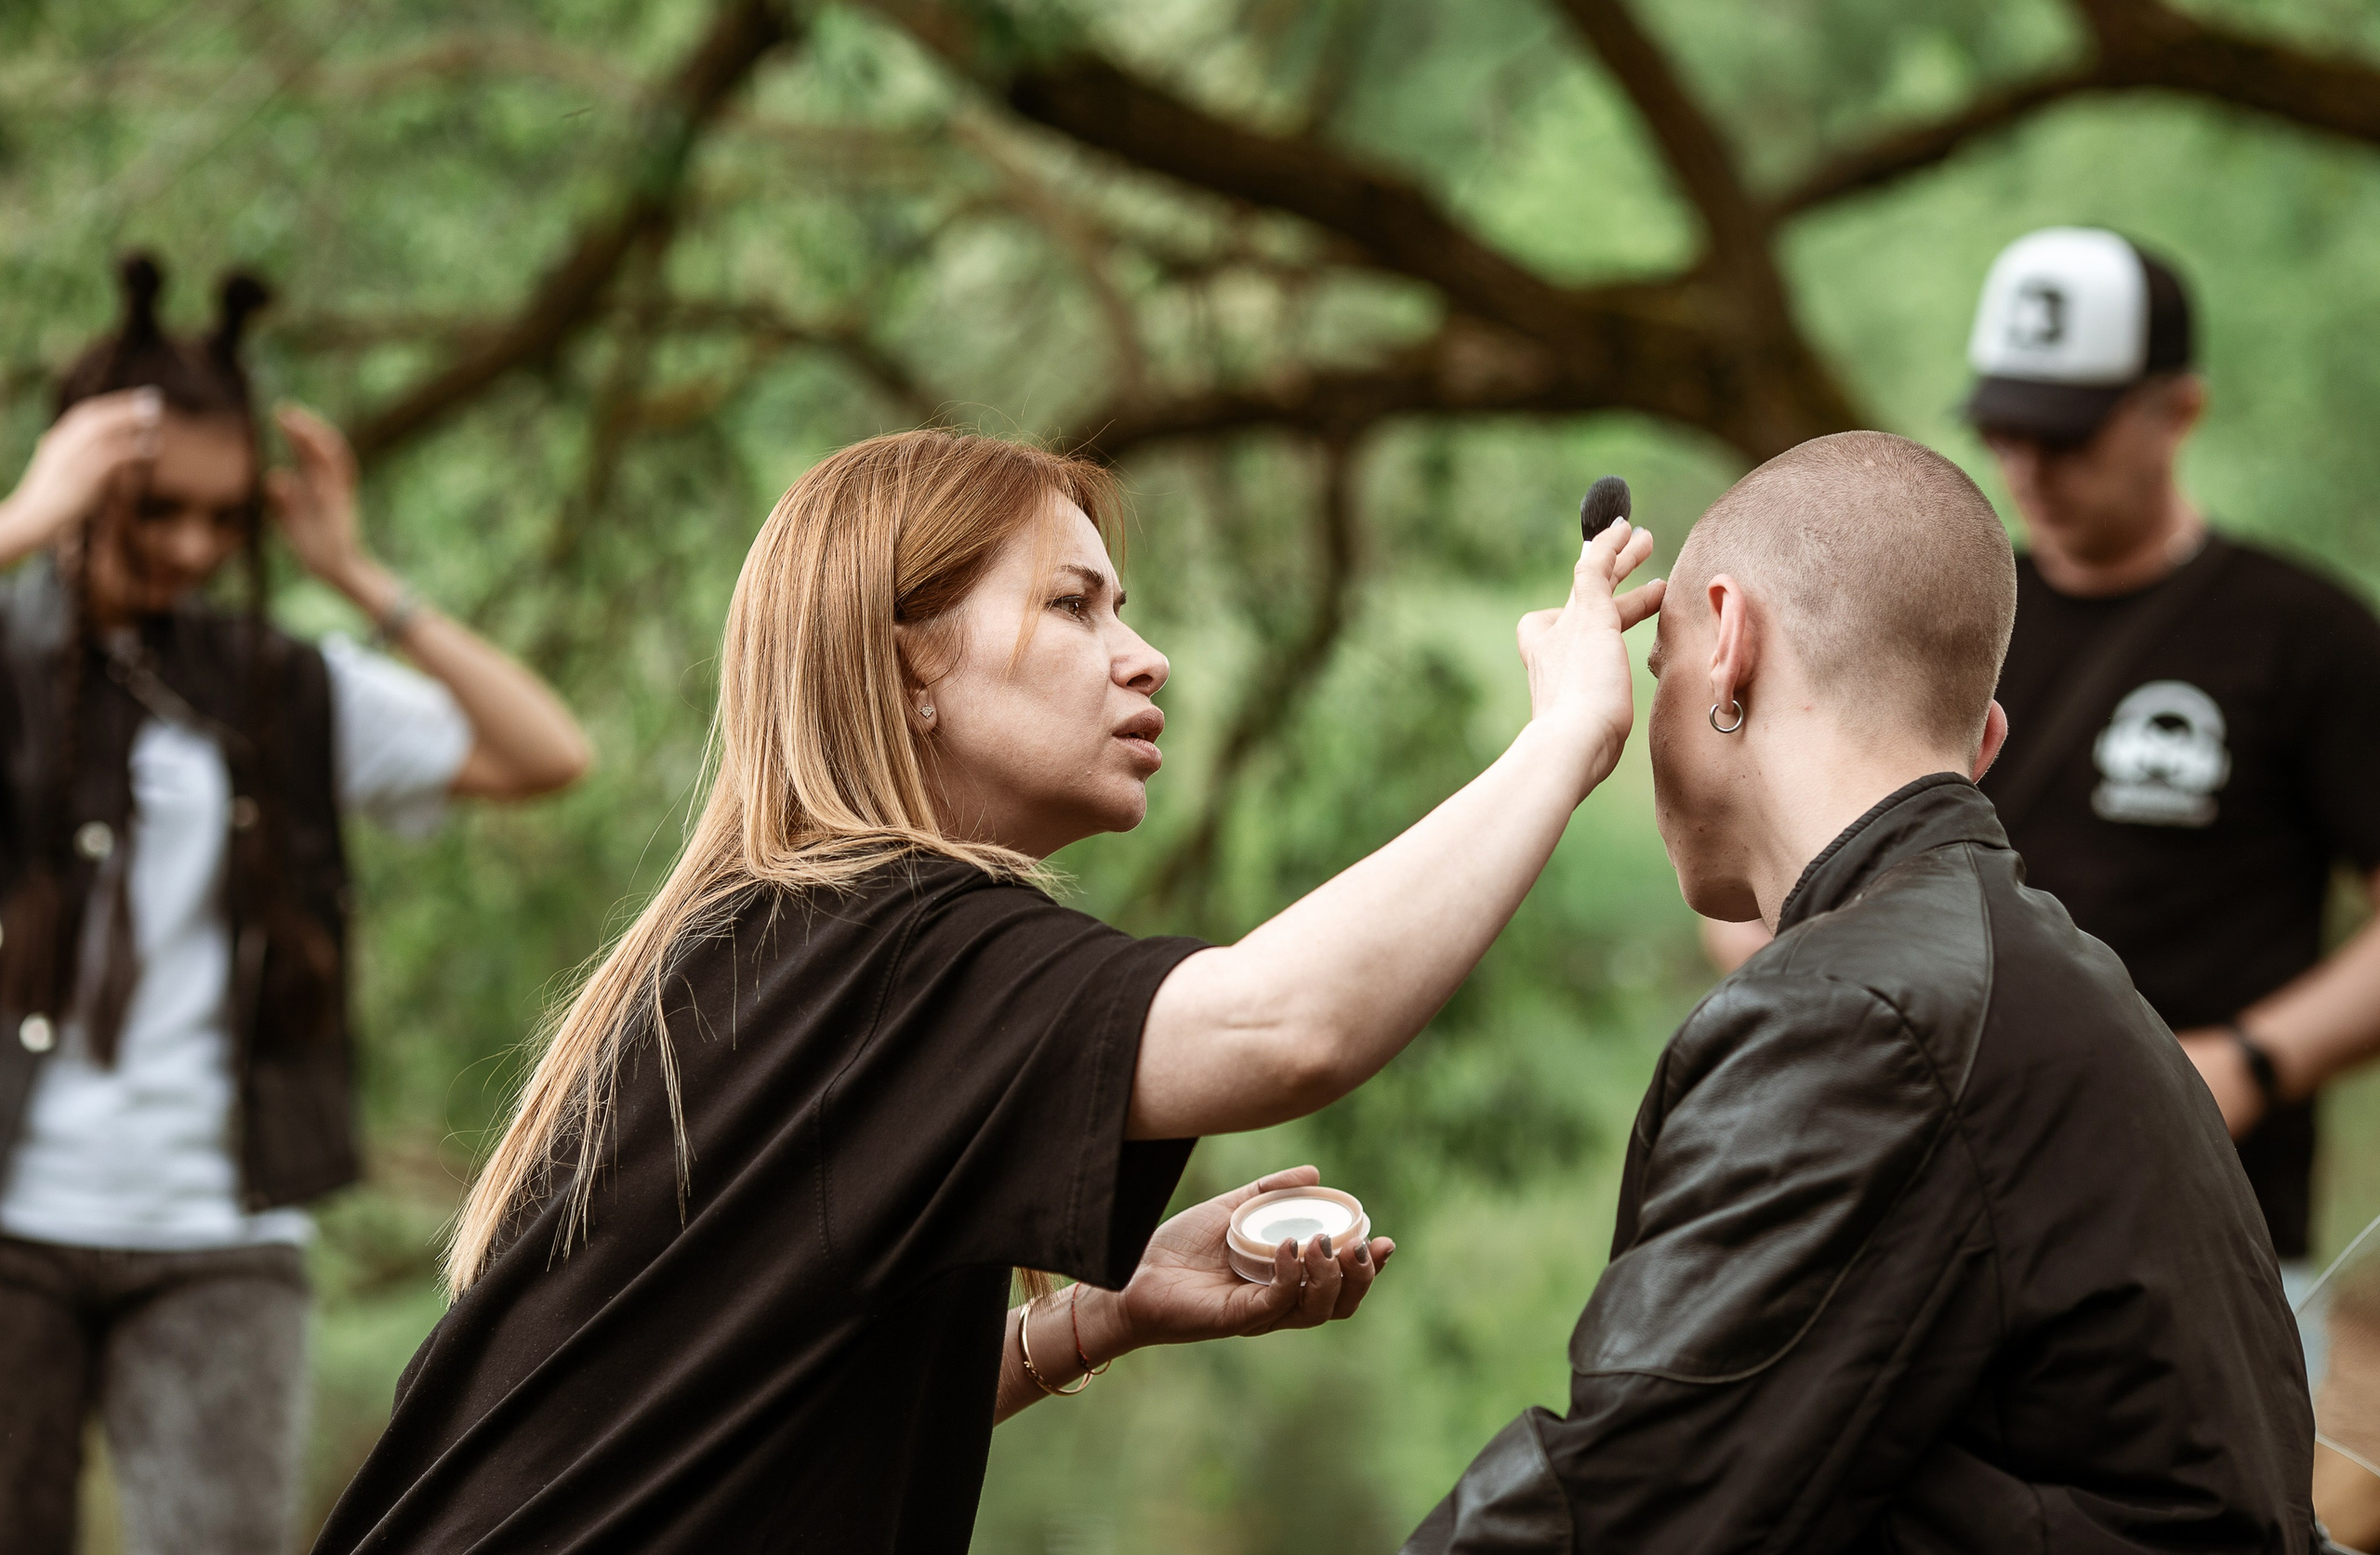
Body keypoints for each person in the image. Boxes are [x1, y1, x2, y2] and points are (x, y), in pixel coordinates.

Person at [308, 426, 1663, 1554]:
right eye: (1074, 604)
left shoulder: (787, 942)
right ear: (911, 665)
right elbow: (1283, 1022)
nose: (1145, 655)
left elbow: (747, 1401)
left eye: (1120, 606)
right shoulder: (886, 946)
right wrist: (1563, 738)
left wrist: (1106, 1313)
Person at [1410, 432, 2312, 1551]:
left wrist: (1554, 740)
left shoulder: (1866, 1018)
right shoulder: (2059, 984)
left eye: (1660, 673)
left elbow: (1626, 1508)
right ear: (1981, 745)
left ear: (1730, 644)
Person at [0, 257, 591, 1555]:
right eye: (156, 508)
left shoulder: (284, 684)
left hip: (224, 1229)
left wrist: (363, 574)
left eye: (226, 520)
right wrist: (25, 516)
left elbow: (547, 751)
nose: (195, 548)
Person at [1709, 230, 2380, 1329]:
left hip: (2201, 1243)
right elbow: (1764, 868)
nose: (2028, 467)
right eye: (2007, 429)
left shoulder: (2305, 638)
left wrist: (2249, 1062)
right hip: (1919, 1231)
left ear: (2179, 411)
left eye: (2068, 433)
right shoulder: (1934, 620)